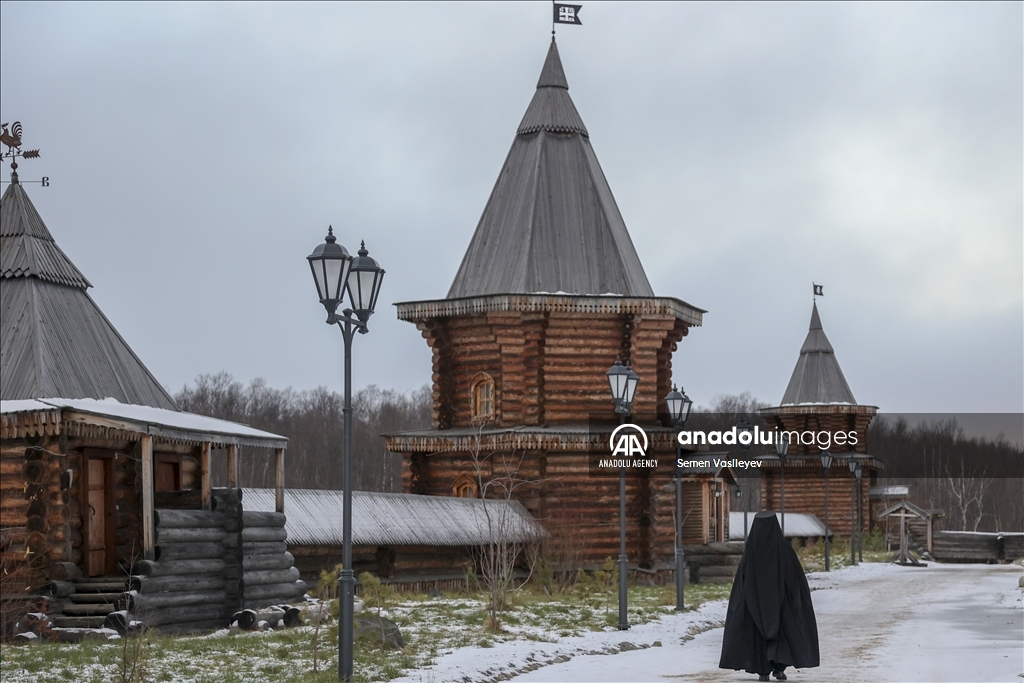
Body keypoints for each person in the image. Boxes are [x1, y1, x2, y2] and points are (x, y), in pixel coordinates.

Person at [719, 511, 820, 681]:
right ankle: (779, 668)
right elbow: (794, 577)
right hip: (781, 603)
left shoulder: (751, 550)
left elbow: (742, 581)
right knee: (782, 633)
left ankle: (763, 670)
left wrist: (741, 603)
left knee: (757, 633)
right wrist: (795, 600)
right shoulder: (784, 549)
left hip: (754, 603)